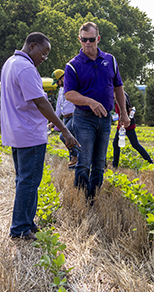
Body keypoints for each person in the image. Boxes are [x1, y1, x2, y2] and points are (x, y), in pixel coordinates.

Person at [1, 32, 78, 240]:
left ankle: (27, 220)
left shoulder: (10, 63)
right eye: (43, 53)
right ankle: (19, 229)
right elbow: (41, 102)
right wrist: (64, 129)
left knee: (25, 179)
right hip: (29, 133)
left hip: (17, 132)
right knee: (29, 181)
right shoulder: (25, 68)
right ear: (32, 46)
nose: (44, 58)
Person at [64, 22, 130, 201]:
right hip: (84, 118)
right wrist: (89, 102)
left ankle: (93, 197)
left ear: (98, 39)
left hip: (106, 118)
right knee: (84, 162)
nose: (87, 43)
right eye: (84, 40)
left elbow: (118, 88)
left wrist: (123, 113)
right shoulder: (72, 65)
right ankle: (81, 199)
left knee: (100, 163)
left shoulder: (110, 60)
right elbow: (69, 94)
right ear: (80, 39)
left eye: (91, 40)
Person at [112, 91, 153, 168]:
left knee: (134, 144)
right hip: (124, 123)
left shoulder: (120, 94)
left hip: (126, 124)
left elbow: (125, 108)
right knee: (119, 144)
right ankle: (114, 165)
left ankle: (150, 161)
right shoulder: (122, 94)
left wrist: (123, 120)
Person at [48, 69, 78, 168]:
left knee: (63, 136)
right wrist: (52, 123)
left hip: (74, 116)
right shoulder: (61, 90)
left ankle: (76, 155)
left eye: (57, 81)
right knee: (70, 140)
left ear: (63, 78)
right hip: (65, 118)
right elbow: (58, 109)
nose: (57, 84)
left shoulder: (73, 87)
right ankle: (72, 165)